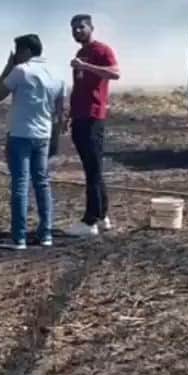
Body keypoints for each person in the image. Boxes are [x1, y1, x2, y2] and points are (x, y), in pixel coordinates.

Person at [0, 34, 65, 251]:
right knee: (42, 182)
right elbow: (60, 111)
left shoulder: (21, 71)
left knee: (20, 184)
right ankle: (46, 233)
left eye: (18, 51)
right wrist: (55, 137)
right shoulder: (56, 73)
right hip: (44, 135)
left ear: (26, 51)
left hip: (21, 135)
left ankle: (19, 237)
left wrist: (8, 66)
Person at [65, 14, 120, 237]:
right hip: (80, 116)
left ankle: (90, 221)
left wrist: (86, 66)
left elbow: (115, 73)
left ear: (91, 28)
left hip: (93, 116)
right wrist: (70, 114)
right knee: (92, 168)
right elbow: (79, 88)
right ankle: (102, 215)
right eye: (74, 28)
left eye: (81, 27)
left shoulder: (101, 50)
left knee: (93, 169)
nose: (77, 31)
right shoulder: (81, 53)